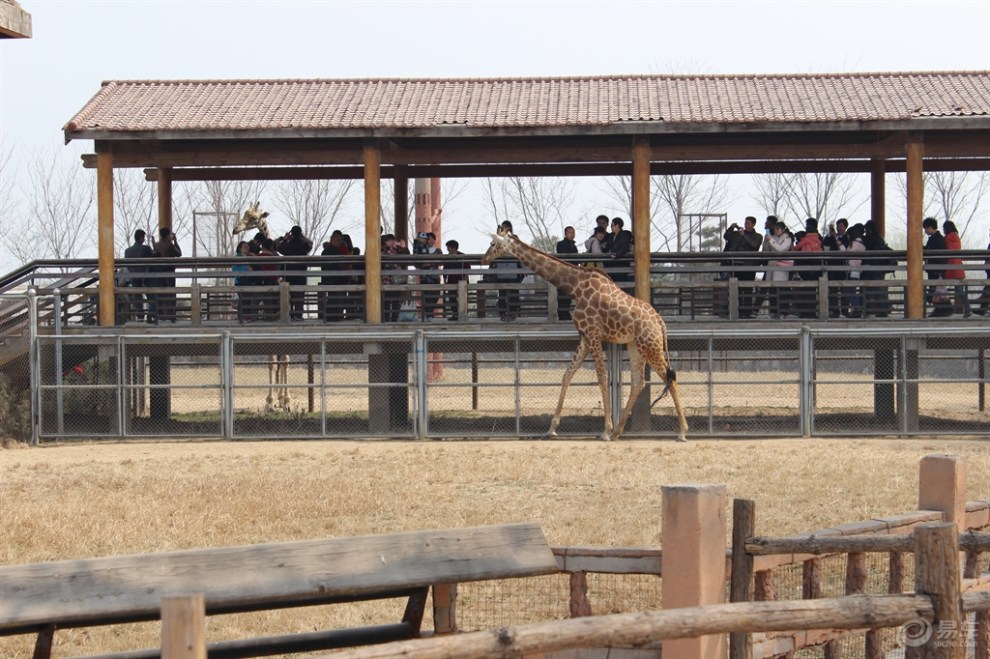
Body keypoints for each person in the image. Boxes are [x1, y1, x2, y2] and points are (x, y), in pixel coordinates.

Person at [722, 216, 762, 317]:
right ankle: (737, 311)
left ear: (753, 225)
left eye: (748, 223)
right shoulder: (737, 234)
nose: (746, 225)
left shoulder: (758, 236)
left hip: (749, 265)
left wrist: (744, 236)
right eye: (745, 223)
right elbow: (726, 237)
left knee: (748, 289)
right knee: (737, 288)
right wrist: (731, 227)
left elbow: (755, 245)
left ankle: (747, 311)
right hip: (736, 264)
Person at [274, 225, 313, 320]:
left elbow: (277, 247)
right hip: (301, 272)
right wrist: (302, 237)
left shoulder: (288, 245)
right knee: (299, 294)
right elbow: (310, 244)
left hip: (288, 272)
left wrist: (285, 238)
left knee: (288, 294)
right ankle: (298, 314)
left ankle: (289, 314)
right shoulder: (304, 244)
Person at [792, 218, 824, 318]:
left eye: (807, 225)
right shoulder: (819, 239)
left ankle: (805, 311)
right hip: (817, 265)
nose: (806, 227)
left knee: (806, 288)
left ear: (811, 226)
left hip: (806, 265)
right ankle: (812, 312)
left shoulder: (805, 239)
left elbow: (795, 249)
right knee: (812, 289)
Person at [861, 220, 893, 317]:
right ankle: (882, 308)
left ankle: (882, 308)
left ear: (869, 230)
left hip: (873, 267)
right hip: (877, 267)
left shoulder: (872, 239)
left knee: (876, 288)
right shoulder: (879, 238)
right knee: (877, 288)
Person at [151, 226, 182, 322]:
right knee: (171, 293)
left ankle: (159, 316)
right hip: (169, 272)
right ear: (168, 235)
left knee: (160, 293)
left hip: (158, 272)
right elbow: (179, 253)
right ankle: (171, 315)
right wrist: (175, 241)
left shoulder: (156, 245)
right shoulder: (169, 245)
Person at [123, 229, 155, 323]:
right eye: (143, 237)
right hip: (146, 276)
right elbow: (154, 258)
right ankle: (151, 314)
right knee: (151, 295)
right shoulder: (146, 249)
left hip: (133, 275)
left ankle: (140, 315)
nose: (144, 239)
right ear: (141, 238)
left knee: (137, 295)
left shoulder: (127, 251)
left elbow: (127, 265)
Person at [942, 220, 972, 317]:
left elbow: (946, 249)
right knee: (959, 290)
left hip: (952, 266)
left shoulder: (948, 238)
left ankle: (944, 309)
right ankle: (967, 309)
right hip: (958, 266)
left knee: (940, 286)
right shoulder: (956, 237)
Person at [320, 230, 352, 322]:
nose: (338, 242)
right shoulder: (327, 251)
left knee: (340, 298)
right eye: (336, 240)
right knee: (334, 298)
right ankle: (334, 316)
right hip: (332, 279)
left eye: (339, 240)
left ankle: (338, 316)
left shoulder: (340, 250)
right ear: (331, 240)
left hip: (340, 278)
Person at [923, 217, 951, 317]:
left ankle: (943, 310)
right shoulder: (937, 238)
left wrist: (938, 269)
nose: (925, 231)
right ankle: (942, 310)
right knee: (937, 291)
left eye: (925, 229)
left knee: (935, 291)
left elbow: (939, 256)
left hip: (936, 269)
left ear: (930, 228)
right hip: (935, 268)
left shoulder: (937, 239)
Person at [765, 221, 793, 318]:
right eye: (775, 229)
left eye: (778, 229)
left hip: (781, 266)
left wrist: (771, 241)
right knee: (772, 289)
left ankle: (783, 311)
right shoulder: (773, 237)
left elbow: (780, 249)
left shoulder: (787, 239)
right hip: (772, 265)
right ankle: (773, 311)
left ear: (783, 229)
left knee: (782, 288)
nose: (776, 231)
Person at [823, 218, 851, 318]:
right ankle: (834, 310)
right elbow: (825, 245)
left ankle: (845, 309)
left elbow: (843, 250)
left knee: (844, 288)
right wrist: (830, 234)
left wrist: (836, 237)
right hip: (831, 264)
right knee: (832, 288)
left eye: (841, 226)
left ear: (845, 227)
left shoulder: (847, 237)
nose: (838, 228)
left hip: (842, 265)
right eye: (837, 226)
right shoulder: (832, 237)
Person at [843, 223, 866, 318]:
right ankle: (857, 309)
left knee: (850, 291)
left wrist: (840, 245)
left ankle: (857, 308)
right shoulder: (861, 243)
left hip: (853, 270)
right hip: (857, 270)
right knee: (851, 290)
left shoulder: (855, 244)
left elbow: (847, 254)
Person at [555, 226, 578, 320]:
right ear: (565, 233)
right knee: (562, 294)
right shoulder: (560, 244)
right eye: (569, 232)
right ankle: (562, 315)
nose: (571, 234)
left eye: (573, 232)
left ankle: (565, 314)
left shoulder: (574, 246)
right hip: (563, 274)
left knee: (569, 295)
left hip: (572, 274)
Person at [443, 239, 467, 321]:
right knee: (452, 298)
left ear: (454, 248)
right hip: (451, 280)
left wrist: (465, 279)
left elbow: (467, 268)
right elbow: (445, 268)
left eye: (449, 247)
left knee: (462, 298)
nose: (447, 249)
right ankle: (455, 314)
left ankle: (462, 315)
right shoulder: (448, 257)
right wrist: (445, 278)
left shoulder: (462, 256)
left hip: (461, 280)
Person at [608, 217, 634, 285]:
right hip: (611, 265)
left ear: (617, 226)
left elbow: (624, 247)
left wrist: (617, 254)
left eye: (612, 225)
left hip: (621, 264)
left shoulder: (624, 236)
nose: (611, 227)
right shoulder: (610, 236)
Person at [232, 240, 252, 322]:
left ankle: (248, 316)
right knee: (243, 298)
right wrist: (246, 269)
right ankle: (242, 316)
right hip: (240, 280)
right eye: (244, 247)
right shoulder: (237, 258)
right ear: (240, 249)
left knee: (248, 299)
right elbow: (235, 269)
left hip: (250, 280)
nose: (246, 248)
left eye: (247, 247)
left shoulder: (250, 258)